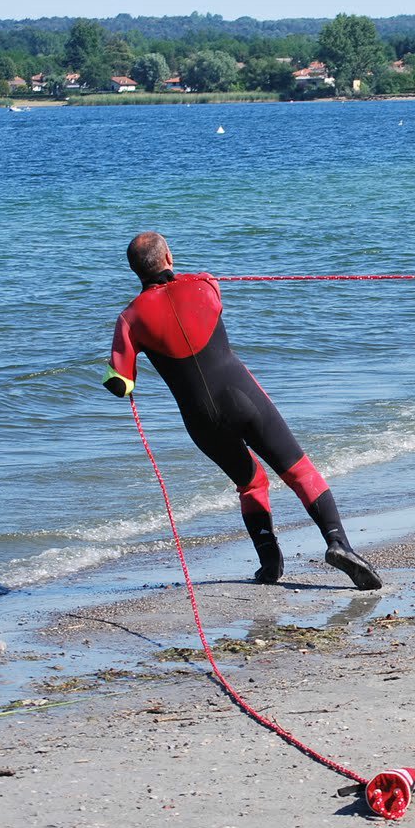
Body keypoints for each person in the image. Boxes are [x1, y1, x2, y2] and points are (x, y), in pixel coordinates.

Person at [103, 232, 383, 589]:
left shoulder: (129, 318)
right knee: (298, 470)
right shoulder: (204, 284)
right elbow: (211, 301)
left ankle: (269, 565)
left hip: (200, 421)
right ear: (169, 256)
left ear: (133, 270)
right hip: (240, 396)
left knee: (250, 484)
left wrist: (120, 379)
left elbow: (121, 382)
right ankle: (338, 543)